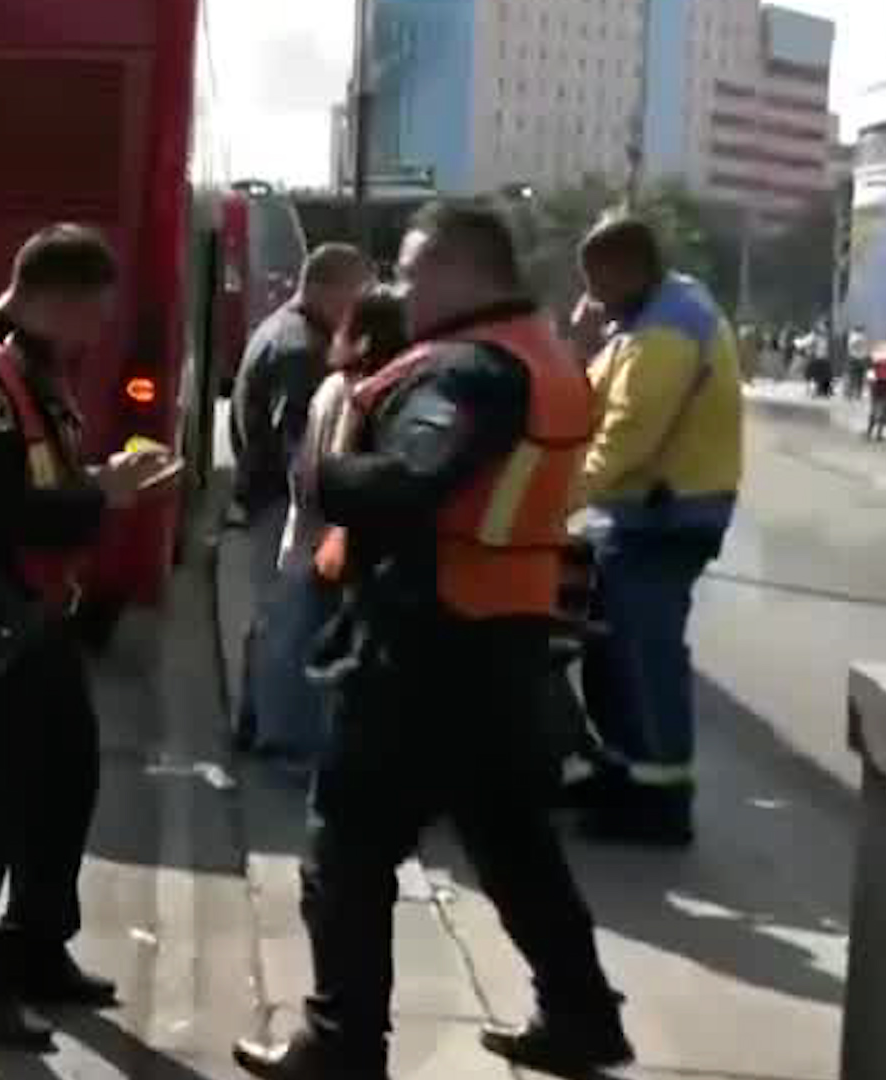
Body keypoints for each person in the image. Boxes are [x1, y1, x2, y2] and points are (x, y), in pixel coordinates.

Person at [232, 200, 631, 1080]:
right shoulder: (539, 352)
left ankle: (341, 1045)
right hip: (500, 635)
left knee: (347, 846)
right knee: (511, 841)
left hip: (426, 646)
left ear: (461, 272)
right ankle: (581, 1015)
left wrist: (319, 467)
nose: (395, 290)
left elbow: (407, 480)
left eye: (410, 271)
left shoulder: (469, 371)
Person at [0, 225, 180, 1051]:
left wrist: (98, 485)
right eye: (95, 316)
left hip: (38, 614)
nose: (98, 335)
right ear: (59, 298)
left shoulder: (27, 368)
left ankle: (35, 947)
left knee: (64, 780)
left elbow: (36, 481)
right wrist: (104, 497)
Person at [566, 217, 743, 848]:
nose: (591, 297)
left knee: (645, 657)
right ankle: (623, 774)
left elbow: (625, 437)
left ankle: (661, 803)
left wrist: (554, 503)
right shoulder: (643, 321)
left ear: (627, 269)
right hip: (639, 516)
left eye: (596, 283)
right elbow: (587, 403)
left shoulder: (663, 331)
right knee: (613, 654)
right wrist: (584, 344)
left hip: (665, 518)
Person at [251, 287, 410, 770]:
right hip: (329, 539)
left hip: (310, 533)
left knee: (287, 633)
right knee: (309, 643)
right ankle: (293, 745)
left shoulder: (335, 385)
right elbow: (338, 470)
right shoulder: (360, 392)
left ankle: (270, 732)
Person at [229, 244, 375, 749]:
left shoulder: (280, 328)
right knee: (288, 620)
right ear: (329, 288)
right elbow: (297, 445)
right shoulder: (301, 348)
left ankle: (255, 721)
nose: (362, 306)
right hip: (280, 503)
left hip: (263, 495)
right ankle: (279, 735)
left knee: (272, 618)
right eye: (359, 293)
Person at [845, 324, 871, 400]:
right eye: (861, 328)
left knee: (857, 377)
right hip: (856, 358)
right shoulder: (854, 336)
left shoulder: (861, 336)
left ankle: (856, 394)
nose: (863, 330)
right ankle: (852, 394)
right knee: (855, 377)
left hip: (859, 358)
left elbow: (865, 347)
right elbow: (852, 346)